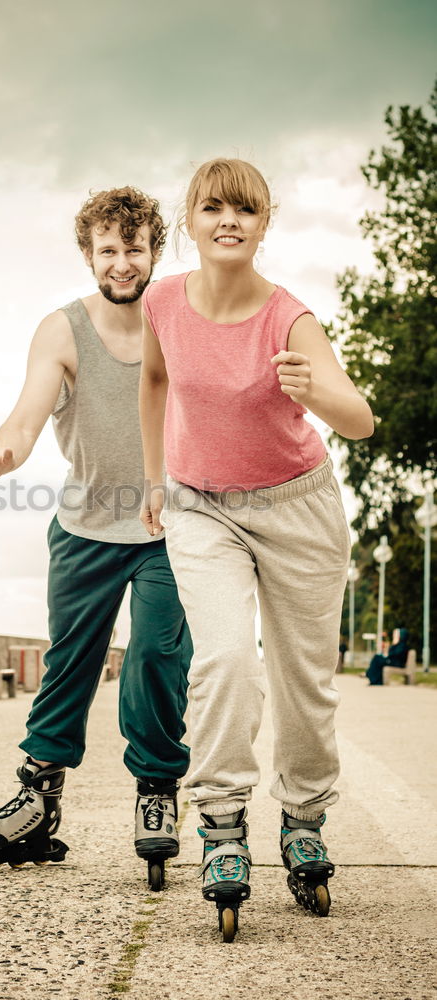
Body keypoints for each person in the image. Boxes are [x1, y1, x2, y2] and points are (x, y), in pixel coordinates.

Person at [139, 158, 374, 939]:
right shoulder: (163, 300)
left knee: (303, 677)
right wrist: (151, 478)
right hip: (202, 505)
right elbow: (153, 383)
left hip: (297, 508)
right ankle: (222, 822)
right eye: (212, 208)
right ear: (191, 221)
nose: (228, 220)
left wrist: (315, 392)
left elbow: (359, 418)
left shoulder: (289, 317)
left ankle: (303, 818)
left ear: (264, 224)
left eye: (245, 209)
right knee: (225, 660)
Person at [0, 187, 192, 891]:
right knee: (70, 663)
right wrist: (6, 454)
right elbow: (26, 413)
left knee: (155, 654)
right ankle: (37, 797)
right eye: (108, 250)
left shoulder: (181, 320)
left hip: (164, 524)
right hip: (84, 528)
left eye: (135, 248)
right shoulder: (61, 330)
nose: (123, 263)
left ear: (155, 250)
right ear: (89, 255)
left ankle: (156, 790)